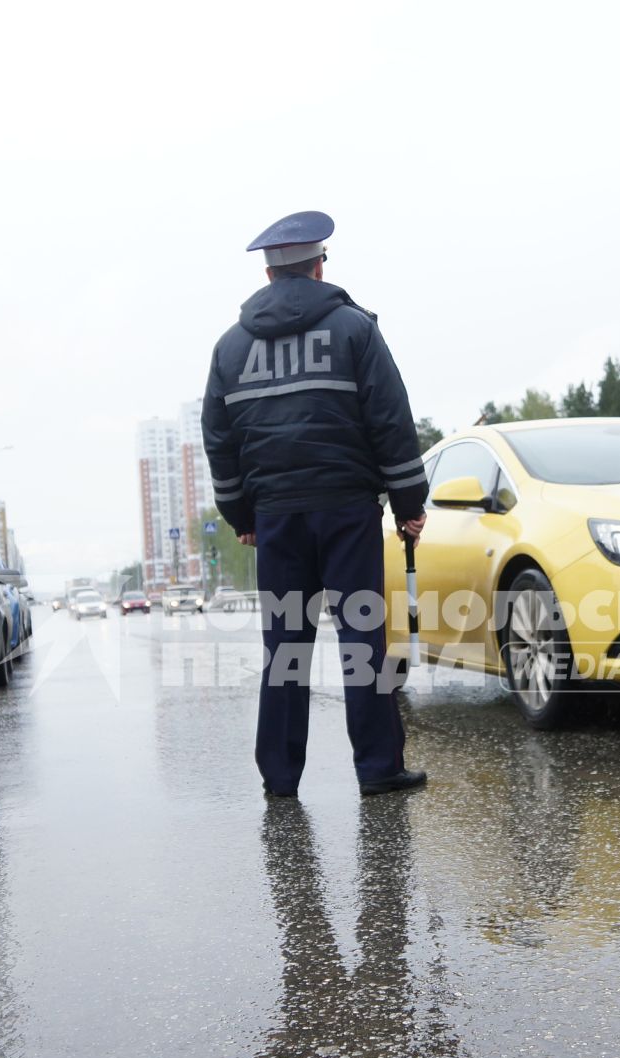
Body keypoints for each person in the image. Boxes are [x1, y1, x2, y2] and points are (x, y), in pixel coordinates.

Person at [202, 211, 429, 799]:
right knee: (361, 638)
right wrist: (409, 502)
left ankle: (280, 778)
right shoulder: (355, 330)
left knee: (284, 648)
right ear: (319, 264)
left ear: (270, 272)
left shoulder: (230, 347)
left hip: (277, 517)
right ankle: (378, 769)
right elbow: (390, 419)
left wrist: (242, 517)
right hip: (347, 509)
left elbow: (220, 441)